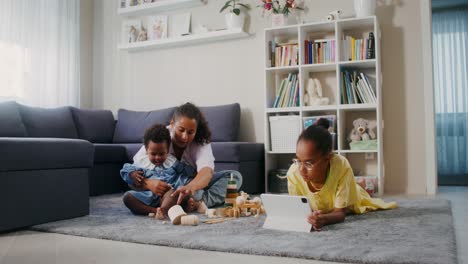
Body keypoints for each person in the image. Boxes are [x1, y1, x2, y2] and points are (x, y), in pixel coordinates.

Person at [287, 119, 397, 231]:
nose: (301, 169)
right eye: (298, 160)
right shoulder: (293, 173)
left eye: (308, 163)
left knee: (359, 196)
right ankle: (357, 184)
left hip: (349, 198)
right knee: (352, 186)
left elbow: (340, 213)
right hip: (330, 198)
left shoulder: (340, 165)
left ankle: (360, 186)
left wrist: (323, 219)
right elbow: (298, 211)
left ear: (327, 158)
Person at [132, 102, 243, 208]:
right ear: (172, 124)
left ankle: (200, 202)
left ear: (196, 130)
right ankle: (182, 201)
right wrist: (148, 184)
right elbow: (135, 169)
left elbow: (206, 172)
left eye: (190, 132)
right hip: (165, 184)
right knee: (133, 183)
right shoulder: (160, 137)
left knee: (235, 177)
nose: (185, 137)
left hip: (190, 182)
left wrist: (190, 187)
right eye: (181, 130)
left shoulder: (201, 141)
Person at [121, 124, 201, 218]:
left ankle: (164, 210)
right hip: (149, 196)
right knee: (127, 197)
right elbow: (125, 170)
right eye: (153, 154)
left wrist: (195, 172)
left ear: (167, 150)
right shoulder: (142, 162)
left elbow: (185, 169)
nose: (157, 158)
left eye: (161, 154)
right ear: (146, 150)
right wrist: (132, 174)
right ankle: (155, 211)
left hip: (167, 195)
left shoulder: (172, 161)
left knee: (174, 194)